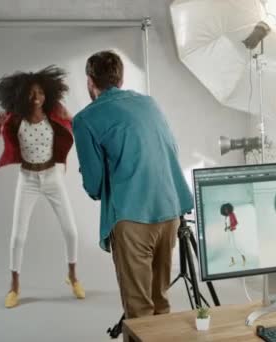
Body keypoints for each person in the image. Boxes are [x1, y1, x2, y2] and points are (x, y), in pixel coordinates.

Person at [72, 50, 193, 319]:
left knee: (139, 312)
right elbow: (170, 148)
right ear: (120, 78)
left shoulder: (84, 120)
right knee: (160, 304)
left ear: (90, 81)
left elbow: (93, 186)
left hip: (132, 218)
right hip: (170, 211)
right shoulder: (150, 104)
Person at [0, 66, 85, 308]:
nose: (37, 98)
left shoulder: (54, 114)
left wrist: (71, 117)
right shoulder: (14, 117)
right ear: (22, 96)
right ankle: (14, 287)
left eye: (40, 93)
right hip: (27, 179)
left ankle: (72, 277)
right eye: (31, 94)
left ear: (47, 94)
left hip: (52, 178)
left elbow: (77, 126)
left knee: (71, 231)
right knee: (18, 236)